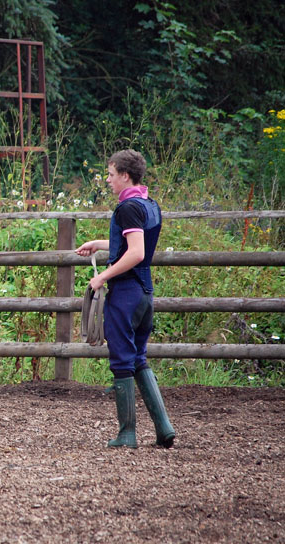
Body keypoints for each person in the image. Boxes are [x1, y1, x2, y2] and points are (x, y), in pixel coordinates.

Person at [75, 149, 175, 449]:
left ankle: (127, 434)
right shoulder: (149, 204)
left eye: (110, 174)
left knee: (121, 360)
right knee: (139, 358)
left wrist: (103, 277)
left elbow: (136, 252)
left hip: (127, 293)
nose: (107, 180)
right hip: (145, 293)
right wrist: (99, 243)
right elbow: (134, 242)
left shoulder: (127, 208)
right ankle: (164, 428)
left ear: (125, 175)